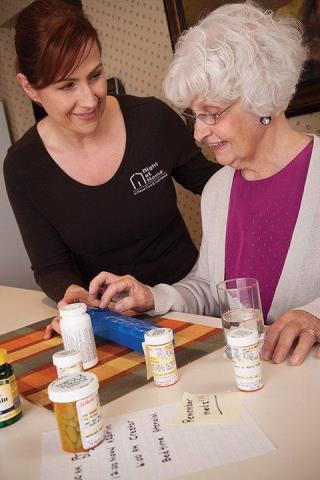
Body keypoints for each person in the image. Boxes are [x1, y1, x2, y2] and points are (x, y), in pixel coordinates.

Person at [88, 3, 320, 366]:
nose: (198, 132)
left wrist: (316, 316)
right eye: (195, 116)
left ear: (263, 96)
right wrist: (151, 296)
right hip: (250, 380)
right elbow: (211, 291)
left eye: (211, 113)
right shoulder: (217, 191)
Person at [3, 0, 219, 322]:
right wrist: (72, 292)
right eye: (67, 86)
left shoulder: (152, 120)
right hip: (113, 319)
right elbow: (51, 265)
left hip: (188, 301)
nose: (89, 100)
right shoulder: (23, 166)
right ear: (29, 88)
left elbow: (217, 185)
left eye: (95, 75)